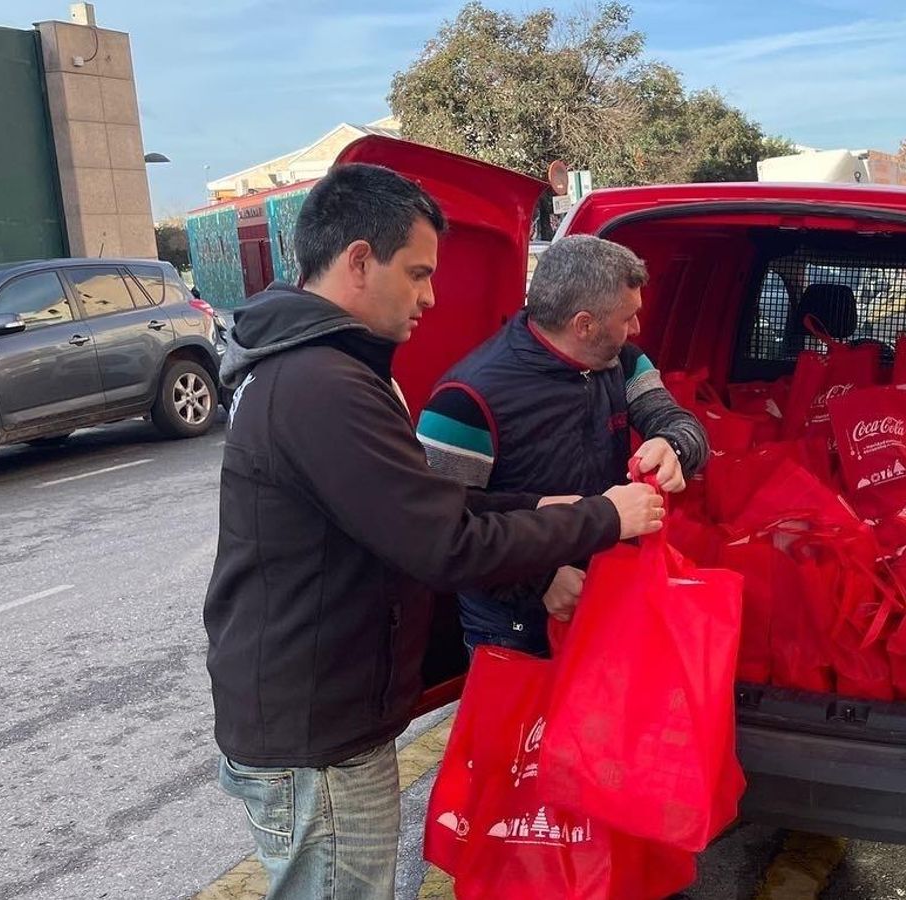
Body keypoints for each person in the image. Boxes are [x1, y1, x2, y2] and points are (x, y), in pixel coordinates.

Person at [203, 164, 663, 900]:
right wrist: (605, 515)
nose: (431, 296)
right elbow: (441, 545)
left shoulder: (323, 370)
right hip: (315, 729)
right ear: (359, 260)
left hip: (323, 707)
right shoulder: (321, 387)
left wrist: (535, 504)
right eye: (417, 273)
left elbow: (410, 506)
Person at [416, 235, 708, 655]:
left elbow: (679, 422)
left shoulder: (622, 360)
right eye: (628, 318)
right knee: (520, 722)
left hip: (606, 589)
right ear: (584, 324)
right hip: (511, 624)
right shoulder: (465, 399)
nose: (637, 329)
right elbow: (440, 528)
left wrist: (673, 445)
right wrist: (539, 582)